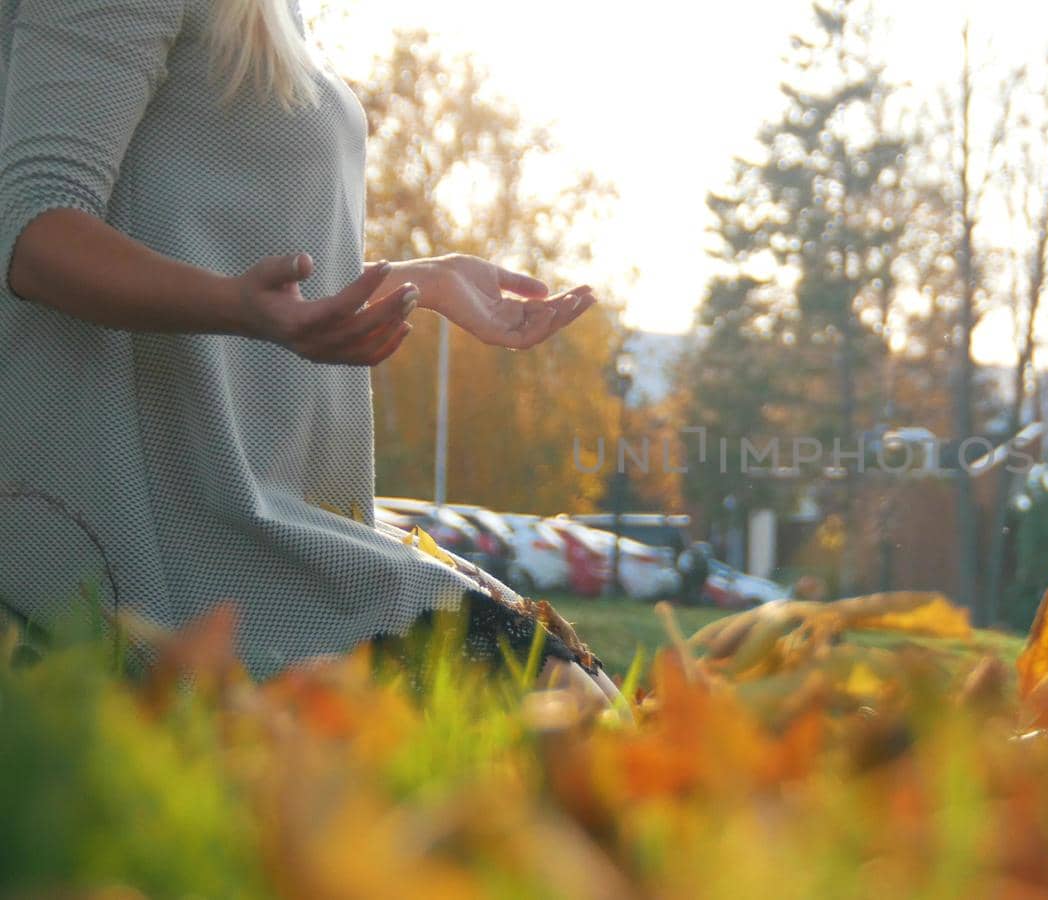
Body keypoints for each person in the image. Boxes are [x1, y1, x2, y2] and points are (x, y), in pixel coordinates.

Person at [0, 0, 618, 708]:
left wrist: (424, 280)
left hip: (270, 513)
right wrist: (241, 308)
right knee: (567, 708)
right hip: (164, 536)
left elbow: (226, 248)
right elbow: (37, 234)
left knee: (586, 694)